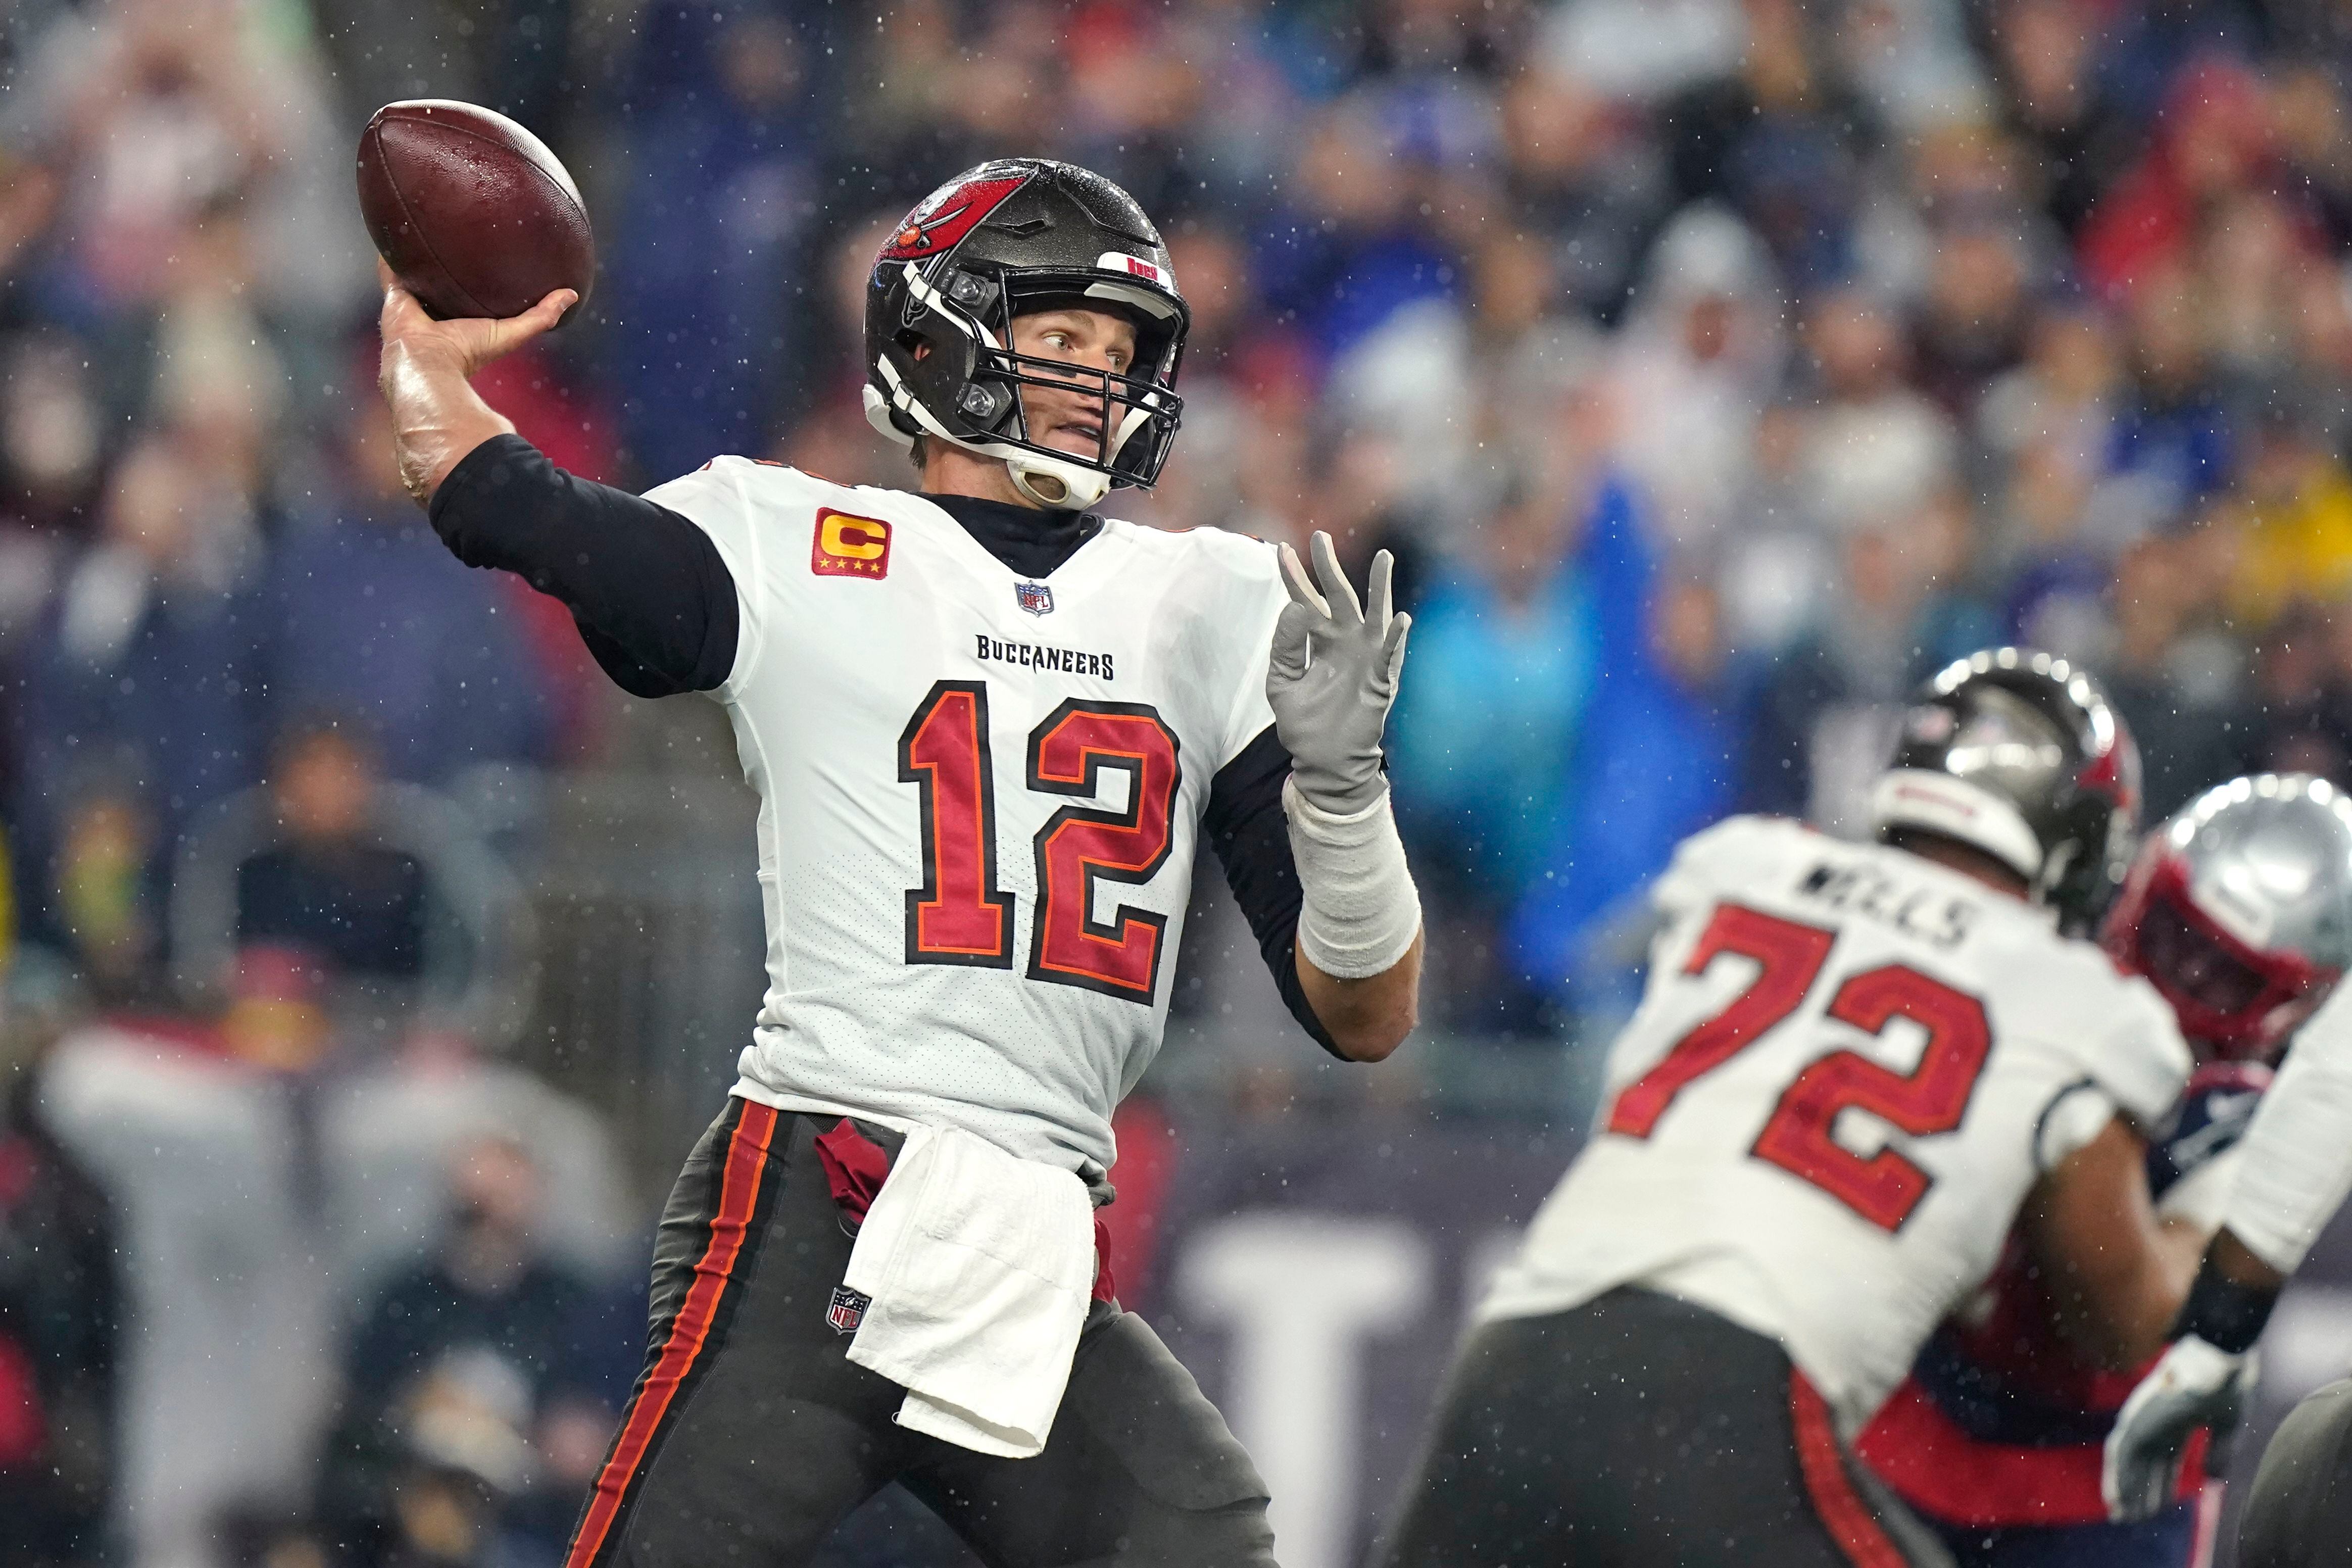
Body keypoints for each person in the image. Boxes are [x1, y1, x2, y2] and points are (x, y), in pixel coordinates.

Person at [375, 157, 1425, 1567]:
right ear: (939, 335)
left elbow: (1364, 1015)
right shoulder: (801, 544)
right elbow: (522, 509)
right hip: (827, 1184)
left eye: (1118, 353)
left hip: (1030, 1232)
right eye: (1061, 340)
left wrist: (1345, 793)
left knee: (1199, 1536)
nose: (1096, 381)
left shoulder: (1214, 602)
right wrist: (427, 374)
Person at [1383, 648, 2207, 1568]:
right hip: (1727, 1398)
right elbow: (2125, 1323)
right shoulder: (2078, 1004)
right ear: (2082, 849)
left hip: (1514, 1365)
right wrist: (2220, 1214)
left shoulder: (1745, 866)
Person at [1858, 772, 2352, 1565]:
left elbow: (2133, 1327)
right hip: (1915, 1417)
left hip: (2095, 1485)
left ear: (2300, 1004)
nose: (2181, 981)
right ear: (2139, 890)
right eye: (2173, 936)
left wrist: (2075, 1127)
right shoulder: (2033, 975)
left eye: (2225, 975)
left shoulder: (2250, 1124)